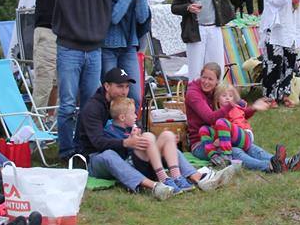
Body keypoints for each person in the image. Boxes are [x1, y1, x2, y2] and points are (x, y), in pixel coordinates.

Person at [53, 0, 142, 161]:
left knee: (89, 105)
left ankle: (85, 149)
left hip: (94, 51)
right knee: (67, 105)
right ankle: (67, 152)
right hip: (69, 49)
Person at [75, 67, 237, 198]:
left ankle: (197, 178)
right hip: (96, 158)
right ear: (107, 86)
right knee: (109, 155)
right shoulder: (93, 108)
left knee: (165, 139)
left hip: (128, 154)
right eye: (120, 86)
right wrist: (126, 142)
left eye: (127, 87)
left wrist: (145, 140)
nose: (124, 91)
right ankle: (154, 186)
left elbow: (139, 132)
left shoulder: (125, 104)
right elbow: (98, 143)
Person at [185, 63, 300, 172]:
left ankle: (288, 162)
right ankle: (270, 166)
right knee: (234, 151)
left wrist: (253, 108)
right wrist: (232, 104)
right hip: (202, 143)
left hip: (219, 134)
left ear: (217, 81)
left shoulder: (214, 91)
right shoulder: (194, 93)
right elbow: (210, 118)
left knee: (248, 146)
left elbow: (236, 112)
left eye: (210, 79)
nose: (206, 82)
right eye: (204, 77)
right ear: (200, 76)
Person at [103, 95, 192, 194]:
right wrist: (130, 142)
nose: (136, 116)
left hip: (149, 162)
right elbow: (116, 157)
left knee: (168, 135)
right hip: (134, 167)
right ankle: (163, 179)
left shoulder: (132, 127)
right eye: (133, 113)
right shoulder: (110, 131)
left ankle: (177, 177)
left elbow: (149, 146)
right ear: (122, 117)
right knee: (147, 136)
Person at [100, 0, 151, 108]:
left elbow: (142, 17)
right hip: (108, 47)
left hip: (129, 45)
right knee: (110, 95)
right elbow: (114, 17)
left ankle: (132, 122)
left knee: (135, 95)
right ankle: (109, 123)